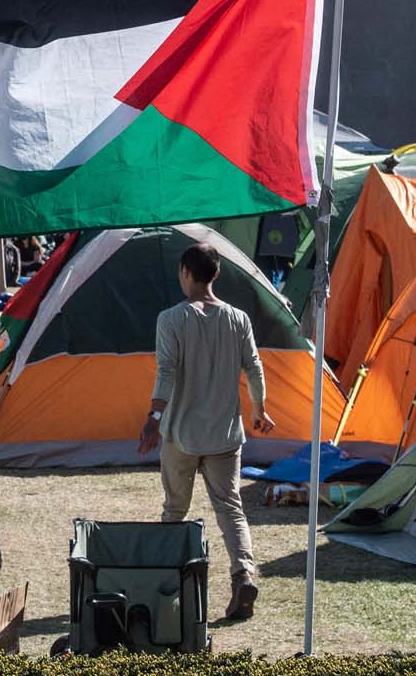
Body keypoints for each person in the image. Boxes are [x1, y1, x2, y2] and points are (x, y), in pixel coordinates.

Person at [137, 243, 273, 622]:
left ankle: (166, 586)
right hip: (226, 436)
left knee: (174, 510)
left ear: (185, 272)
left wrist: (153, 417)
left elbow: (167, 371)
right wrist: (260, 409)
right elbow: (254, 367)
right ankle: (243, 574)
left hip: (181, 434)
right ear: (217, 273)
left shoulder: (171, 319)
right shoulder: (238, 319)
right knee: (230, 508)